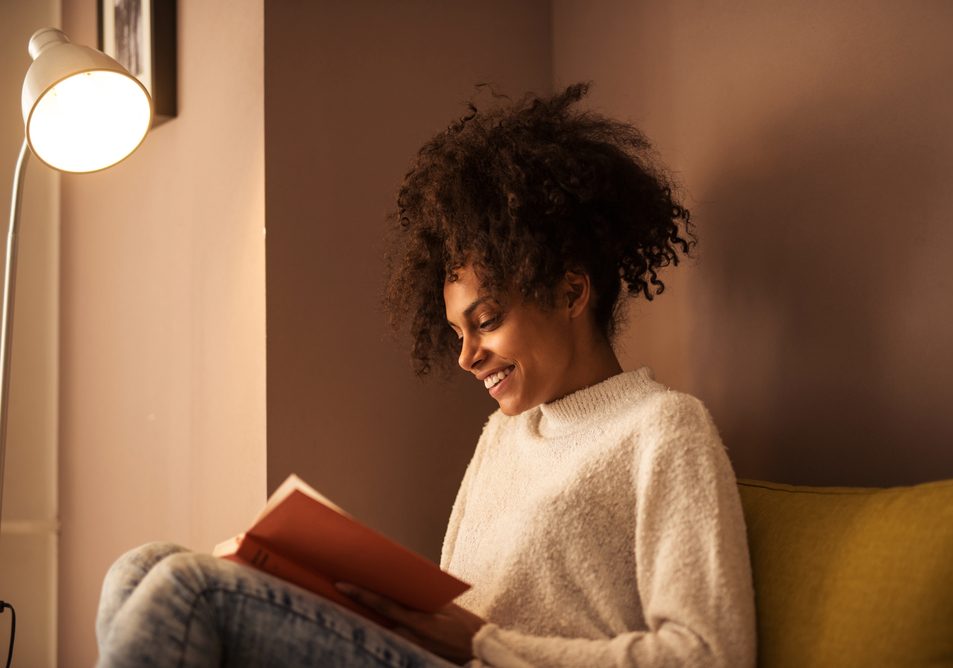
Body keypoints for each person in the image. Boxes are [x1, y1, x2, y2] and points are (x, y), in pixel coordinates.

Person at [95, 83, 756, 667]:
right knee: (140, 569)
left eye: (487, 320)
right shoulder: (504, 437)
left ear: (571, 291)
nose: (467, 357)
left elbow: (707, 655)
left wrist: (482, 643)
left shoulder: (662, 430)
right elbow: (448, 618)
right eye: (457, 333)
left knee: (192, 591)